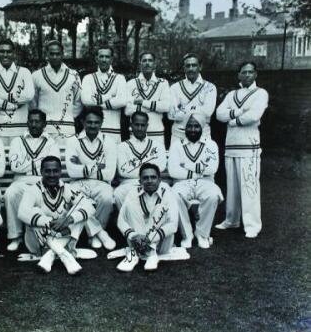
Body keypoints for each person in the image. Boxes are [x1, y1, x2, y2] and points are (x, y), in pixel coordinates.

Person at [215, 62, 268, 238]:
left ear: (255, 74)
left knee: (249, 186)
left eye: (250, 72)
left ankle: (252, 226)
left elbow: (254, 116)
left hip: (249, 146)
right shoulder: (232, 94)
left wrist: (233, 119)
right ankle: (232, 220)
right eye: (243, 72)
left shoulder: (260, 93)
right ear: (238, 75)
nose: (246, 75)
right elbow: (219, 114)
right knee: (232, 187)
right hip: (231, 146)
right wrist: (238, 112)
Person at [17, 156, 95, 275]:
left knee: (79, 210)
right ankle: (64, 256)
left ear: (60, 172)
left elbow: (90, 206)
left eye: (55, 171)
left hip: (62, 238)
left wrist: (68, 220)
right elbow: (22, 213)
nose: (52, 175)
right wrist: (50, 222)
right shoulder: (32, 190)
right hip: (38, 246)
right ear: (41, 172)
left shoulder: (67, 188)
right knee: (34, 211)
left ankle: (51, 255)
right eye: (47, 171)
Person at [5, 109, 60, 252]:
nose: (34, 124)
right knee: (11, 193)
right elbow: (15, 166)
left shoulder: (51, 142)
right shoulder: (18, 141)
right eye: (31, 121)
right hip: (21, 181)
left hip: (42, 181)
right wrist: (40, 162)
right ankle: (15, 236)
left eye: (38, 121)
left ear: (44, 124)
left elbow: (52, 165)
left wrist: (27, 164)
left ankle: (43, 235)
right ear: (27, 122)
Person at [168, 113, 223, 249]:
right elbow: (173, 171)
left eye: (196, 126)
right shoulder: (177, 145)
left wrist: (185, 166)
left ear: (202, 127)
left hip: (206, 182)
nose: (193, 129)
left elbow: (212, 169)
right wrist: (197, 171)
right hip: (182, 183)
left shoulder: (211, 145)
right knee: (174, 195)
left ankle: (202, 234)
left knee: (213, 194)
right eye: (190, 126)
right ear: (185, 128)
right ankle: (187, 235)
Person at [66, 106, 117, 250]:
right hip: (78, 183)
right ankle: (97, 234)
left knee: (107, 198)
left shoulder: (109, 142)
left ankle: (93, 234)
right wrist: (97, 167)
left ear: (101, 123)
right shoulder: (73, 141)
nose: (93, 125)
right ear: (83, 122)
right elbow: (71, 172)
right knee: (79, 199)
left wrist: (83, 166)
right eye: (89, 122)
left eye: (96, 122)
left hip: (101, 183)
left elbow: (109, 174)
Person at [116, 163, 180, 272]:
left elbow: (173, 225)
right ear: (140, 181)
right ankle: (149, 254)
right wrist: (134, 235)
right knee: (130, 207)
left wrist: (149, 239)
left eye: (153, 177)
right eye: (145, 178)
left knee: (160, 208)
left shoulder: (168, 194)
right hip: (137, 240)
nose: (149, 180)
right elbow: (121, 220)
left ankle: (147, 252)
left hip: (162, 245)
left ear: (159, 180)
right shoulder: (133, 193)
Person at [0, 39, 34, 145]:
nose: (5, 55)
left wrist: (1, 96)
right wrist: (11, 105)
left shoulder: (24, 72)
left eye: (9, 52)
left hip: (20, 129)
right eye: (2, 51)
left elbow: (29, 95)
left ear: (14, 54)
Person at [31, 40, 82, 145]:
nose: (54, 57)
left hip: (67, 128)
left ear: (63, 54)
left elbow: (79, 101)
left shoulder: (74, 75)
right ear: (47, 55)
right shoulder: (36, 75)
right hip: (44, 128)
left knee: (66, 158)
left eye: (57, 54)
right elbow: (33, 102)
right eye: (52, 54)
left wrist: (68, 116)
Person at [114, 111, 167, 209]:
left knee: (166, 190)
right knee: (118, 193)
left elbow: (161, 167)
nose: (139, 128)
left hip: (153, 182)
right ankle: (130, 222)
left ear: (147, 126)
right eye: (136, 125)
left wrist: (133, 167)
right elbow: (123, 171)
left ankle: (155, 222)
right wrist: (149, 167)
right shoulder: (122, 146)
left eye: (142, 125)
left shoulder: (157, 145)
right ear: (131, 125)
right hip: (129, 183)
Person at [168, 53, 217, 145]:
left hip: (203, 134)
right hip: (179, 135)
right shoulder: (175, 87)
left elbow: (208, 112)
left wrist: (182, 109)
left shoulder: (210, 87)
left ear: (200, 67)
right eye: (188, 66)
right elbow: (171, 114)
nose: (191, 69)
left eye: (194, 65)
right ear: (184, 68)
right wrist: (197, 109)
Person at [81, 46, 126, 143]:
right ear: (96, 58)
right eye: (101, 57)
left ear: (112, 59)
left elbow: (122, 101)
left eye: (107, 57)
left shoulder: (120, 78)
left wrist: (95, 102)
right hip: (92, 130)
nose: (104, 60)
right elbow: (85, 100)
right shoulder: (88, 78)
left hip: (113, 130)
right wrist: (110, 96)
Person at [125, 52, 170, 147]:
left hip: (157, 132)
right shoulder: (130, 84)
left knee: (156, 161)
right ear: (140, 63)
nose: (147, 63)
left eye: (150, 60)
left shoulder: (163, 83)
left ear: (155, 64)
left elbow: (166, 106)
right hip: (136, 132)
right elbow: (128, 110)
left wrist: (142, 102)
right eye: (144, 60)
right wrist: (154, 107)